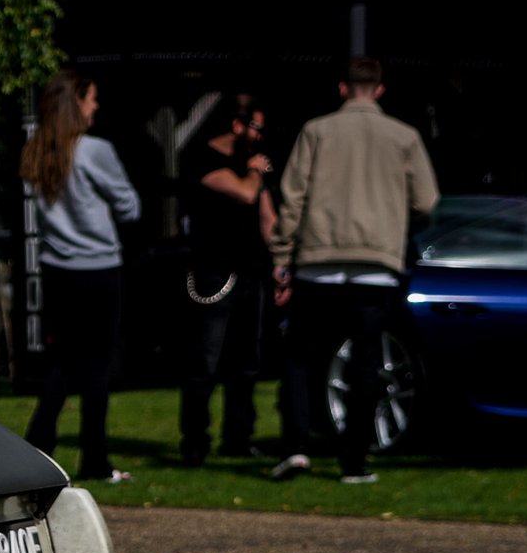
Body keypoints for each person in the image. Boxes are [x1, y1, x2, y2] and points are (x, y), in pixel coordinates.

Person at [268, 57, 439, 484]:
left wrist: (282, 256)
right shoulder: (403, 136)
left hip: (319, 261)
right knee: (366, 358)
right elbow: (426, 200)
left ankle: (296, 447)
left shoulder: (316, 131)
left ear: (343, 88)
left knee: (300, 356)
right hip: (375, 264)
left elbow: (292, 197)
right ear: (379, 90)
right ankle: (354, 460)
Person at [20, 70, 142, 483]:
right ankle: (94, 458)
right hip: (98, 269)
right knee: (96, 366)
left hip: (57, 270)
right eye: (91, 99)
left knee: (60, 364)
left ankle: (38, 447)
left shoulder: (36, 151)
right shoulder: (94, 150)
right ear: (77, 104)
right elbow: (130, 206)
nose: (96, 107)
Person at [177, 95, 277, 465]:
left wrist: (281, 263)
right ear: (237, 125)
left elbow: (266, 215)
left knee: (246, 363)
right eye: (255, 127)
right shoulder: (203, 158)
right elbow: (246, 192)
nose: (259, 136)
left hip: (252, 272)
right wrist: (255, 171)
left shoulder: (252, 163)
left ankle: (239, 436)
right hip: (214, 274)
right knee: (204, 362)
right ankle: (194, 441)